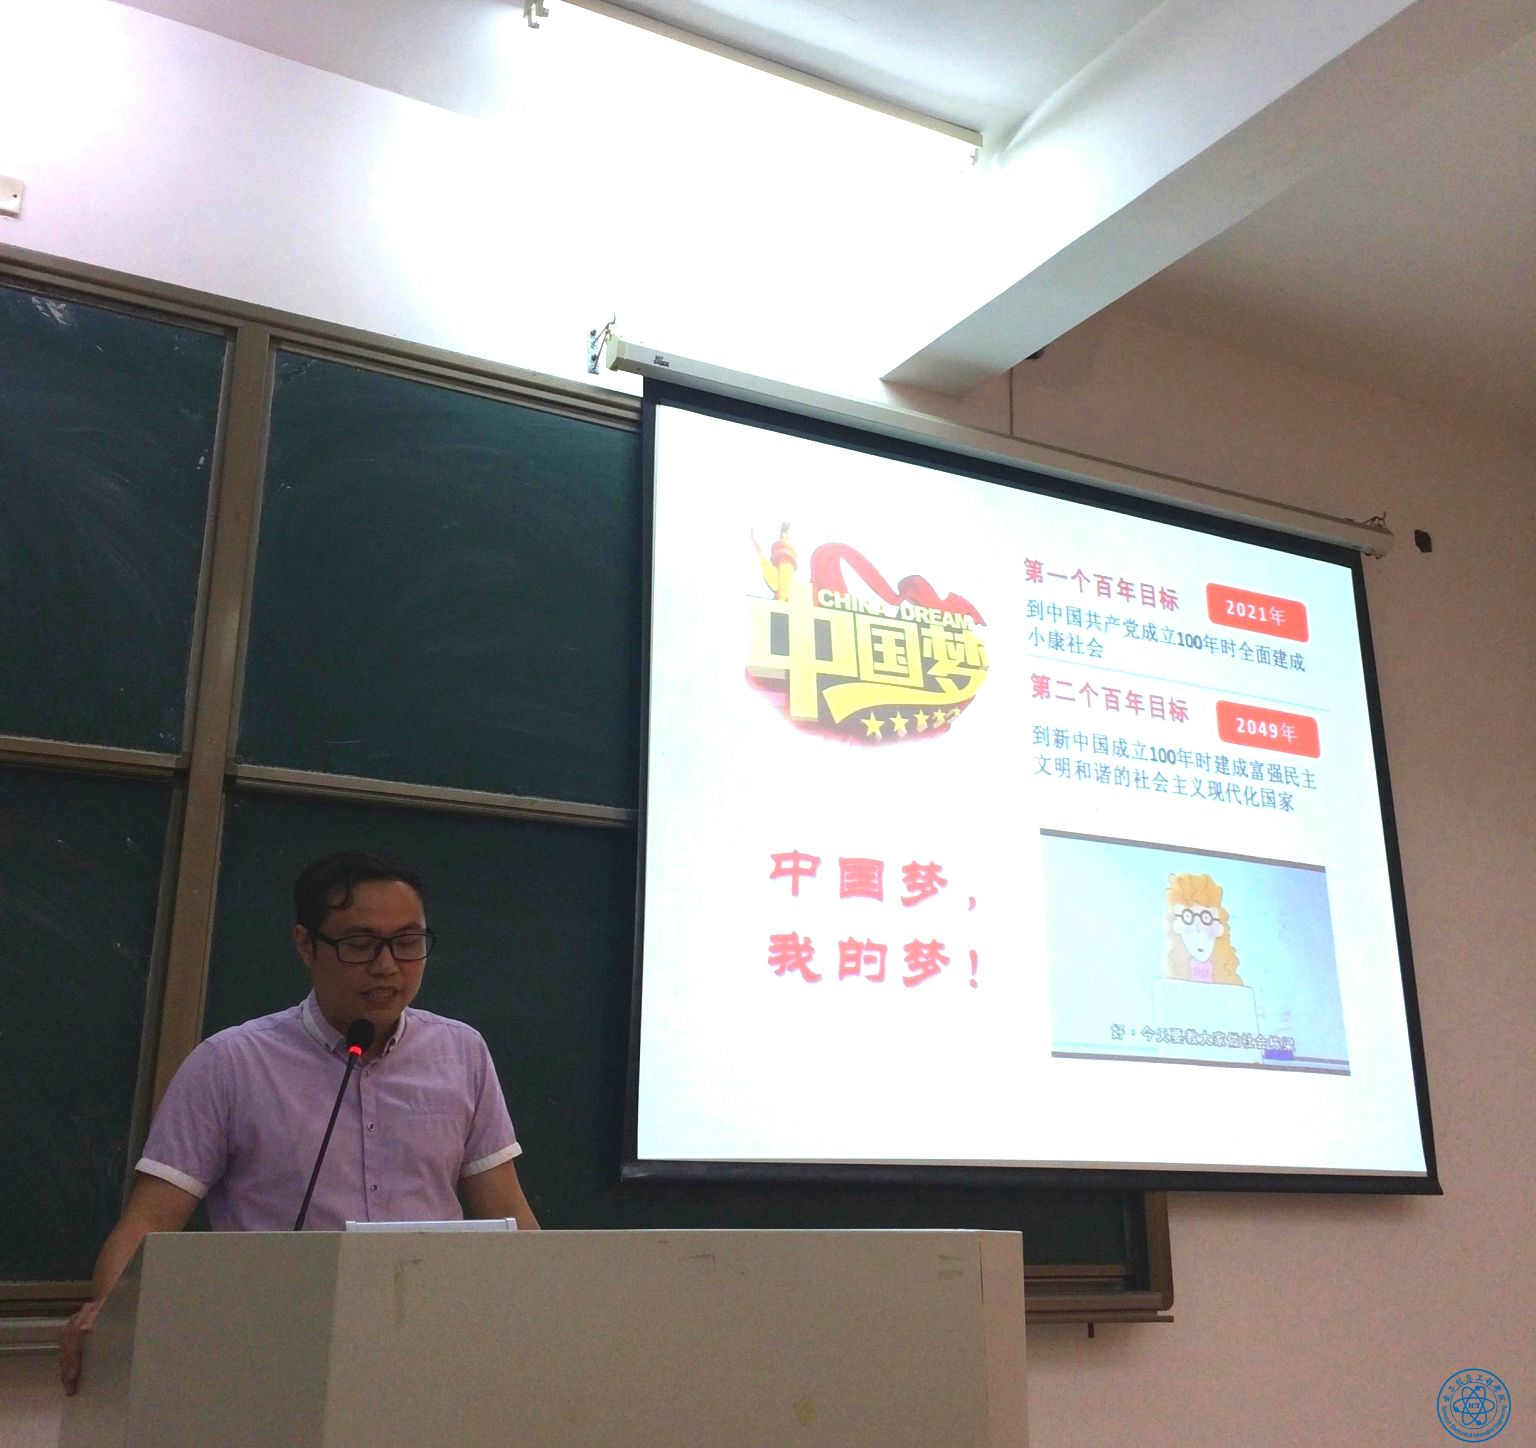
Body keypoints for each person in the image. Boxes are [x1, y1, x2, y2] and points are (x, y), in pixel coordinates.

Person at [59, 850, 538, 1394]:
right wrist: (110, 1315)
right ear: (306, 945)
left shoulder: (461, 1052)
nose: (387, 966)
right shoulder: (231, 1062)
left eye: (408, 942)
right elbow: (149, 1221)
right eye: (360, 944)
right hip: (275, 1348)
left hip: (435, 1342)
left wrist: (551, 1308)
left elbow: (506, 1209)